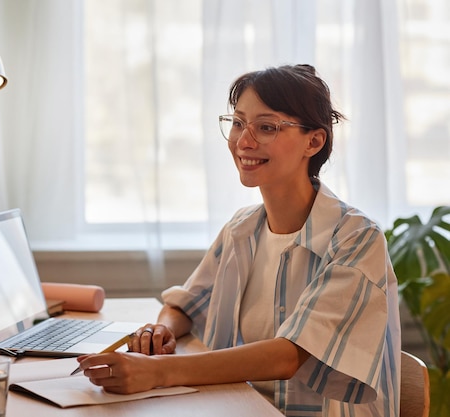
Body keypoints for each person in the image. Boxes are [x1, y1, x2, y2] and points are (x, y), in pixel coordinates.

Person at [76, 64, 401, 416]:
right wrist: (161, 330)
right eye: (237, 123)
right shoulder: (242, 228)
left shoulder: (356, 238)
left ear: (314, 141)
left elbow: (288, 355)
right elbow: (187, 304)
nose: (244, 141)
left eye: (266, 127)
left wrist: (156, 372)